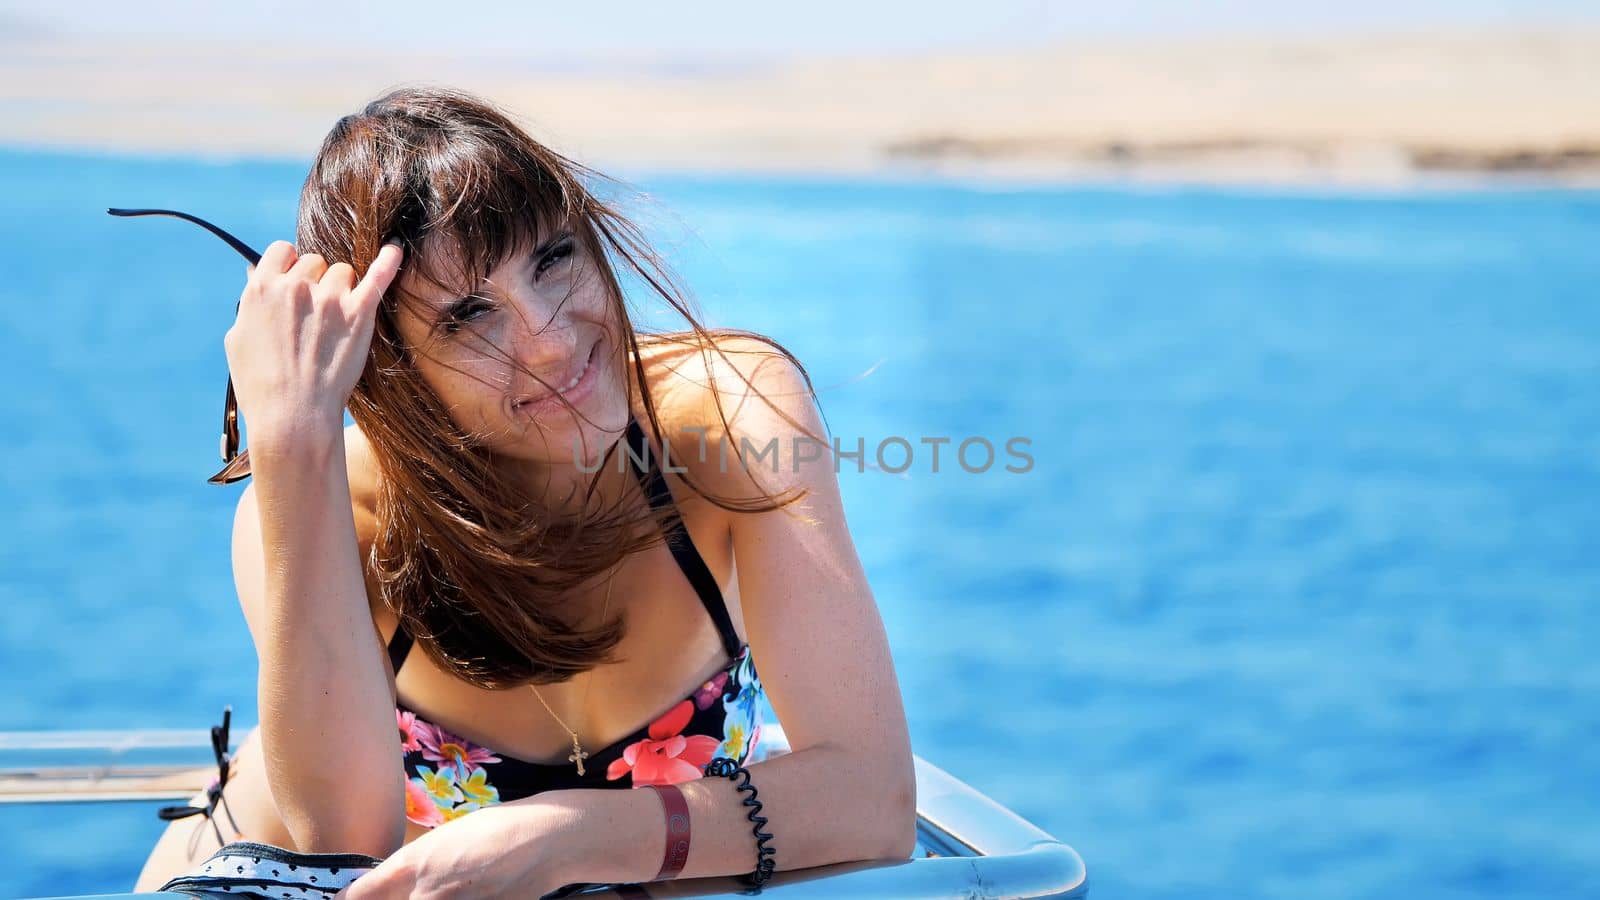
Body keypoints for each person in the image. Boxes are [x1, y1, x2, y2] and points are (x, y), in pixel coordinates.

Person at [133, 86, 915, 896]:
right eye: (469, 317)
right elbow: (340, 850)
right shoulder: (336, 508)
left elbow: (875, 800)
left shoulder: (728, 417)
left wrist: (568, 837)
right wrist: (293, 439)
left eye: (553, 259)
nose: (548, 342)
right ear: (389, 365)